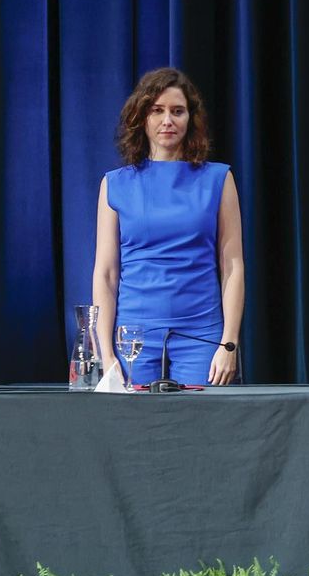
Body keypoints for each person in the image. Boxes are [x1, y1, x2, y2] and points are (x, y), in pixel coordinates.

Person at [92, 68, 244, 387]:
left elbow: (232, 267)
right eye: (157, 111)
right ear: (142, 117)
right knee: (131, 432)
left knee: (201, 430)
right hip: (132, 336)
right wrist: (105, 354)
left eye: (177, 111)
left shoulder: (218, 179)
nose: (167, 121)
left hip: (201, 333)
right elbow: (106, 274)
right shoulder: (115, 184)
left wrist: (228, 343)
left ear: (190, 119)